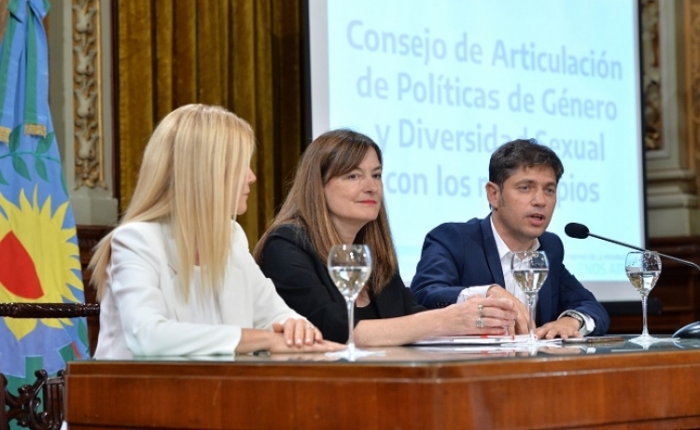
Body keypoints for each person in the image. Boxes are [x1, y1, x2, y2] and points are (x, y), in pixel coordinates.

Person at [89, 104, 342, 358]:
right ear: (206, 172)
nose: (252, 177)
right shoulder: (137, 240)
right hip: (136, 394)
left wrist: (296, 329)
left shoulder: (231, 236)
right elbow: (147, 336)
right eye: (242, 165)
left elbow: (275, 314)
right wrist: (263, 339)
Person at [253, 129, 516, 346]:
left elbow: (409, 314)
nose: (371, 186)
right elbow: (328, 327)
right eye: (353, 175)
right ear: (317, 186)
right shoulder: (286, 244)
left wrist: (475, 325)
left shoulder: (371, 252)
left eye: (376, 175)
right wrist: (446, 320)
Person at [410, 139, 610, 339]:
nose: (540, 201)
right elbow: (425, 296)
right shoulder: (453, 240)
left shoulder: (550, 248)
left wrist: (571, 321)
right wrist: (486, 293)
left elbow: (592, 307)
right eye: (525, 188)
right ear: (494, 194)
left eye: (549, 190)